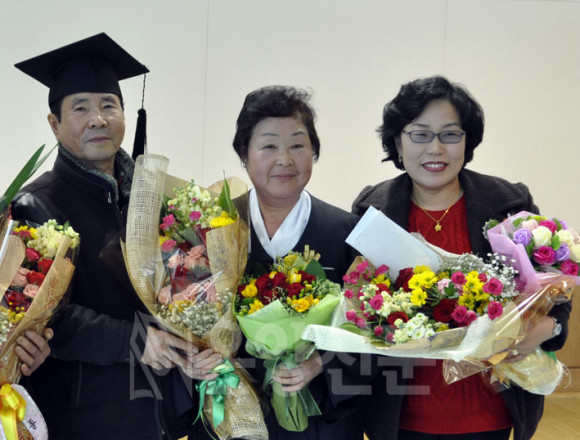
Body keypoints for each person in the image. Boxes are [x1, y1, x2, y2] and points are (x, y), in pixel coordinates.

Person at [11, 33, 223, 439]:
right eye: (81, 108)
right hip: (87, 416)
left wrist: (200, 339)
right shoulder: (35, 206)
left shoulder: (157, 199)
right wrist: (133, 340)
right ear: (54, 124)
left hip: (164, 413)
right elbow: (40, 317)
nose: (98, 119)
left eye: (109, 105)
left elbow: (188, 292)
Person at [352, 75, 571, 440]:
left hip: (491, 411)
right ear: (398, 142)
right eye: (420, 134)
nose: (435, 148)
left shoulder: (508, 203)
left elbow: (554, 292)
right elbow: (352, 304)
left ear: (467, 141)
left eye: (450, 134)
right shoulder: (373, 210)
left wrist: (548, 328)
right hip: (399, 416)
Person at [232, 85, 364, 439]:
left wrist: (320, 364)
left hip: (322, 419)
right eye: (269, 146)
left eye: (297, 145)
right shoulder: (218, 227)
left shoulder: (346, 232)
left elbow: (371, 333)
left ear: (313, 152)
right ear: (244, 153)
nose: (284, 159)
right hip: (236, 411)